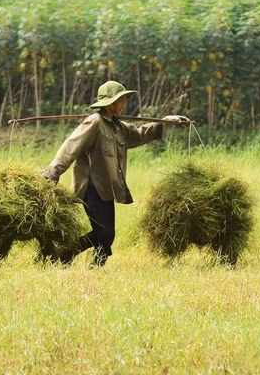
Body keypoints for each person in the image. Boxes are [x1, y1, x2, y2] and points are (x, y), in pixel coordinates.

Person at [41, 80, 190, 266]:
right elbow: (70, 147)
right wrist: (52, 173)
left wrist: (165, 122)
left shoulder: (118, 126)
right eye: (122, 100)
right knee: (103, 233)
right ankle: (65, 253)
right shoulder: (94, 123)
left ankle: (93, 267)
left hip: (106, 188)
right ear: (111, 103)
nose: (124, 104)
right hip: (91, 187)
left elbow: (140, 134)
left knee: (106, 234)